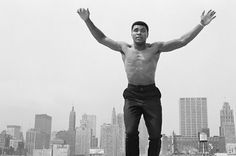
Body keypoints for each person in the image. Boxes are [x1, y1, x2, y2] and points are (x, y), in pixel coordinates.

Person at [77, 8, 216, 156]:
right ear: (131, 33)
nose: (139, 33)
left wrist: (201, 24)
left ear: (147, 34)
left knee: (155, 136)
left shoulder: (155, 48)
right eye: (135, 30)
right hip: (132, 95)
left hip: (151, 95)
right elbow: (102, 38)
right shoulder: (124, 48)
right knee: (130, 132)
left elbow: (182, 41)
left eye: (142, 30)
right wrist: (87, 20)